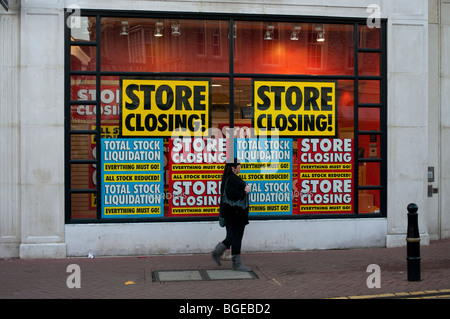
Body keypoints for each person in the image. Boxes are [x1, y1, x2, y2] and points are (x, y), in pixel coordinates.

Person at [211, 158, 251, 271]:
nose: (240, 167)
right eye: (239, 165)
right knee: (237, 238)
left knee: (231, 237)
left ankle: (217, 252)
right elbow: (233, 195)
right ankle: (237, 264)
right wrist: (245, 191)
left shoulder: (227, 179)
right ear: (233, 168)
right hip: (236, 215)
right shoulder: (233, 179)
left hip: (230, 214)